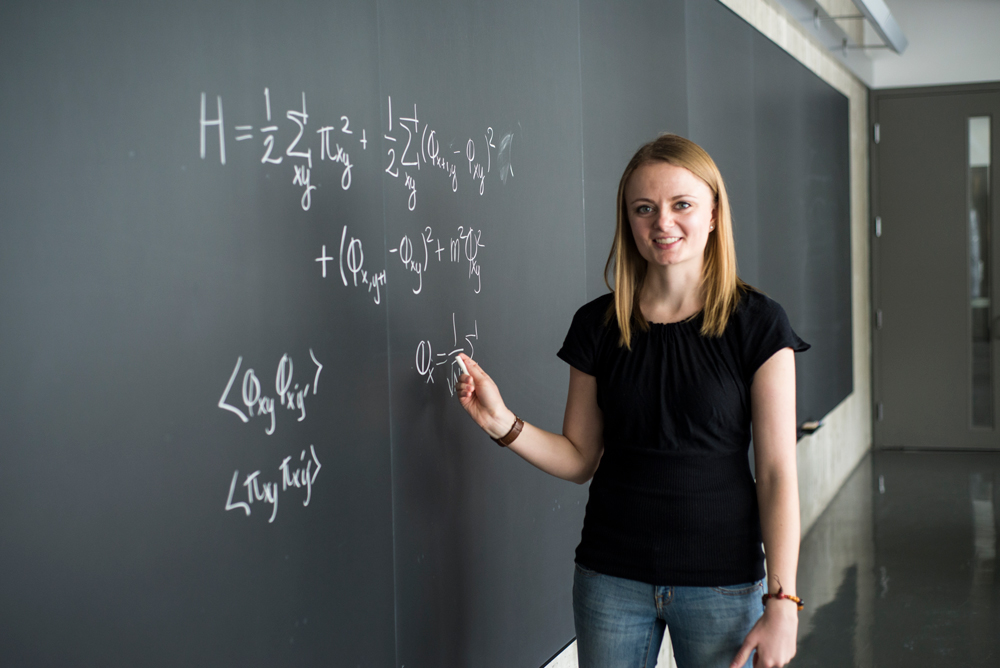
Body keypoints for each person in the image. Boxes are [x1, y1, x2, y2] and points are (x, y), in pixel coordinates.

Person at [456, 134, 807, 668]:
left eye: (681, 205)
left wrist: (783, 602)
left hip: (723, 584)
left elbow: (778, 472)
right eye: (644, 209)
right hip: (609, 579)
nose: (662, 223)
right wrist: (502, 422)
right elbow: (579, 459)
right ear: (628, 221)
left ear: (714, 214)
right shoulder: (597, 325)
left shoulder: (758, 324)